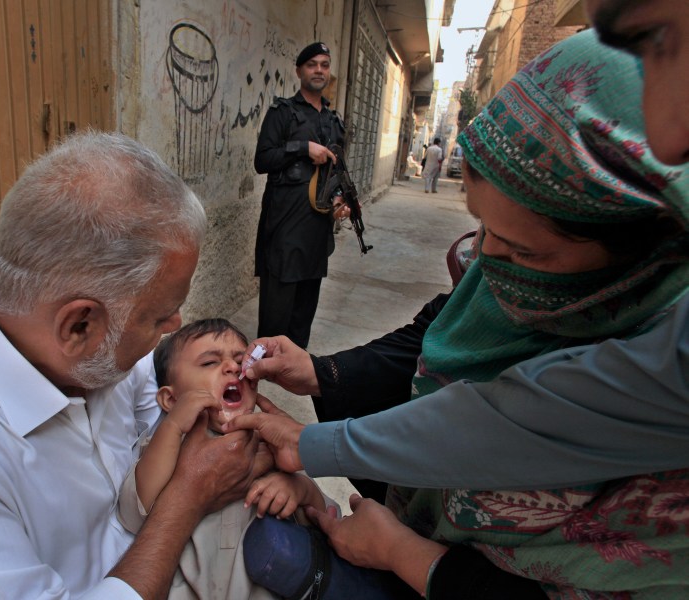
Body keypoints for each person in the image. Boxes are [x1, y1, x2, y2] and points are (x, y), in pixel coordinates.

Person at [229, 29, 689, 597]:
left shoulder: (664, 374)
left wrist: (405, 553)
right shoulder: (499, 275)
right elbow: (431, 335)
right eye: (482, 229)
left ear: (648, 247)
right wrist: (320, 374)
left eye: (524, 250)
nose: (486, 263)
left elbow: (509, 423)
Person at [0, 131, 268, 599]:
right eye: (159, 317)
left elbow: (151, 401)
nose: (174, 324)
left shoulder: (84, 342)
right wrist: (186, 500)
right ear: (78, 326)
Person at [117, 318, 337, 600]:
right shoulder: (167, 449)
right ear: (171, 400)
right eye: (209, 363)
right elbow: (133, 513)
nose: (233, 367)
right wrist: (172, 427)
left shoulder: (270, 446)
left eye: (240, 360)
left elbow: (327, 520)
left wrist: (301, 490)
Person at [253, 41, 349, 349]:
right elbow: (262, 160)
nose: (319, 70)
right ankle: (264, 366)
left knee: (305, 308)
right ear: (299, 71)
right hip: (285, 226)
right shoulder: (283, 113)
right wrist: (303, 149)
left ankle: (293, 362)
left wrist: (338, 200)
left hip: (317, 230)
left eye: (324, 64)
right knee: (276, 308)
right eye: (312, 65)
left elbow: (337, 172)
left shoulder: (334, 122)